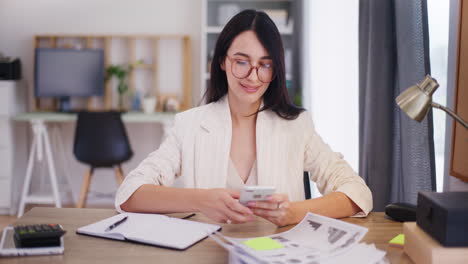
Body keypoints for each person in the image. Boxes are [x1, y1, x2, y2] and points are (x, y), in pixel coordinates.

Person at [115, 10, 372, 226]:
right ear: (222, 62)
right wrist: (201, 200)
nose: (252, 76)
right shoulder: (189, 126)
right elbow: (129, 194)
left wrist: (294, 212)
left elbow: (357, 192)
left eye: (265, 65)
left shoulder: (296, 126)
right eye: (241, 62)